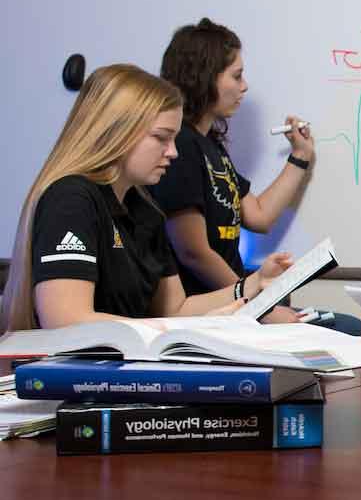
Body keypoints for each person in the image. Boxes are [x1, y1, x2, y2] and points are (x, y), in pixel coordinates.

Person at [0, 64, 292, 333]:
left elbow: (176, 309)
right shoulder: (72, 199)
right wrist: (175, 331)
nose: (173, 152)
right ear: (117, 131)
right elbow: (65, 318)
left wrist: (253, 284)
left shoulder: (144, 209)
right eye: (161, 138)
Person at [151, 18, 360, 333]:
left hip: (241, 302)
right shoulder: (180, 147)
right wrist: (256, 301)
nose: (244, 86)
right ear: (205, 78)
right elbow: (193, 251)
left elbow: (259, 215)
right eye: (236, 76)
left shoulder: (210, 147)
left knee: (348, 327)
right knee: (348, 329)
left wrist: (300, 156)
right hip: (212, 311)